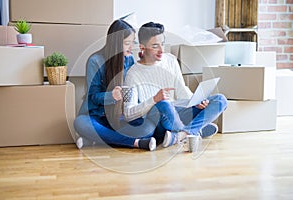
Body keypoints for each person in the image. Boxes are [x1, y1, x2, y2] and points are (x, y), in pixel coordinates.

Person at [124, 22, 228, 148]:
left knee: (220, 99)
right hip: (158, 119)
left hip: (177, 112)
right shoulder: (132, 74)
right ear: (142, 47)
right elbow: (128, 113)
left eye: (162, 44)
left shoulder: (171, 60)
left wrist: (197, 102)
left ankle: (182, 134)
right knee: (164, 104)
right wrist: (154, 99)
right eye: (155, 46)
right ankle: (196, 129)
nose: (161, 50)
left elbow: (182, 91)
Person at [73, 19, 158, 151]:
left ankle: (97, 139)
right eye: (127, 43)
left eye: (132, 42)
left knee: (148, 128)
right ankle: (135, 143)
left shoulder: (129, 59)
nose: (131, 47)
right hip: (97, 116)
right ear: (116, 44)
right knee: (80, 123)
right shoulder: (95, 61)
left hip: (120, 118)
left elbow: (133, 87)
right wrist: (111, 96)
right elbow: (92, 97)